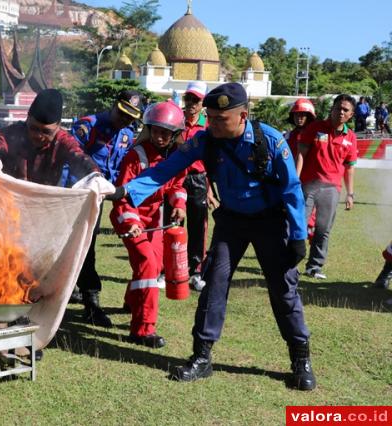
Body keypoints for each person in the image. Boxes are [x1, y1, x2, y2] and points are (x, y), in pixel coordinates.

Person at [108, 83, 316, 391]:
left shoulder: (269, 141)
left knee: (283, 290)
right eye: (211, 117)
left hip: (270, 222)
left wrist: (298, 236)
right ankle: (201, 357)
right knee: (213, 286)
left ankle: (301, 360)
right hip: (231, 222)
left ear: (243, 115)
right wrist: (127, 190)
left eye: (221, 119)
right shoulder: (206, 141)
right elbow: (165, 169)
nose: (213, 124)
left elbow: (291, 188)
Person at [110, 101, 187, 348]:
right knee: (148, 265)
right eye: (156, 130)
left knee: (154, 267)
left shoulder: (175, 158)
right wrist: (130, 222)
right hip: (128, 216)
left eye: (166, 132)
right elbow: (121, 196)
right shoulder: (136, 155)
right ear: (148, 129)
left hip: (153, 219)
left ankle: (132, 301)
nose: (160, 136)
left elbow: (176, 185)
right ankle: (143, 329)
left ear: (175, 134)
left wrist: (178, 204)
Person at [69, 89, 143, 328]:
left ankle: (87, 300)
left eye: (131, 117)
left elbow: (121, 167)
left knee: (87, 247)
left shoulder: (127, 135)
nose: (125, 120)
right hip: (75, 197)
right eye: (122, 113)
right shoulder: (88, 126)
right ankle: (87, 301)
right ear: (114, 105)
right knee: (72, 248)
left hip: (98, 200)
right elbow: (67, 158)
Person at [0, 88, 98, 188]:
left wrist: (94, 176)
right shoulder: (12, 133)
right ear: (27, 119)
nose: (38, 136)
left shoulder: (62, 140)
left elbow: (79, 157)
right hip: (9, 202)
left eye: (46, 132)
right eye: (34, 128)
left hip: (44, 204)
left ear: (58, 126)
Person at [296, 94, 357, 280]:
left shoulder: (351, 137)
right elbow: (301, 154)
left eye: (345, 110)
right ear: (332, 109)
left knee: (323, 229)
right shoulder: (315, 128)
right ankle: (288, 262)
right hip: (308, 185)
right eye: (338, 108)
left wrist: (350, 194)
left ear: (351, 115)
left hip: (331, 189)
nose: (341, 112)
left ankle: (314, 267)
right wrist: (294, 181)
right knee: (299, 225)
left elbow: (350, 167)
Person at [177, 81, 218, 291]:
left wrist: (210, 189)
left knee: (197, 227)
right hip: (176, 178)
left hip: (198, 179)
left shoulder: (208, 125)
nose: (191, 103)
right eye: (188, 99)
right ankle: (170, 269)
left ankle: (195, 271)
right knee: (173, 223)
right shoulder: (175, 120)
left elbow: (212, 160)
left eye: (196, 100)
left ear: (203, 103)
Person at [285, 99, 317, 242]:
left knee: (309, 216)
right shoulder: (288, 136)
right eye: (297, 115)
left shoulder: (316, 136)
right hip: (291, 180)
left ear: (309, 116)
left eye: (303, 115)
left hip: (310, 182)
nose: (300, 118)